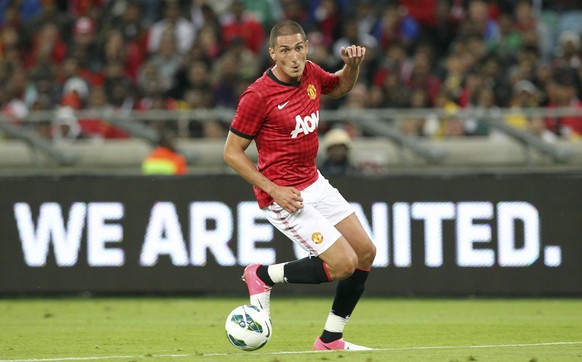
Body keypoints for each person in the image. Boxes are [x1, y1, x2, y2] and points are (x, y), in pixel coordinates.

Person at [223, 20, 376, 351]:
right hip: (284, 196)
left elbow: (340, 87)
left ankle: (331, 339)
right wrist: (274, 189)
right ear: (272, 54)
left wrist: (352, 66)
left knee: (365, 252)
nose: (294, 57)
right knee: (342, 264)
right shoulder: (258, 96)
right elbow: (232, 153)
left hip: (314, 182)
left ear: (307, 47)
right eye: (285, 50)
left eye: (299, 48)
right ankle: (263, 275)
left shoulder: (310, 73)